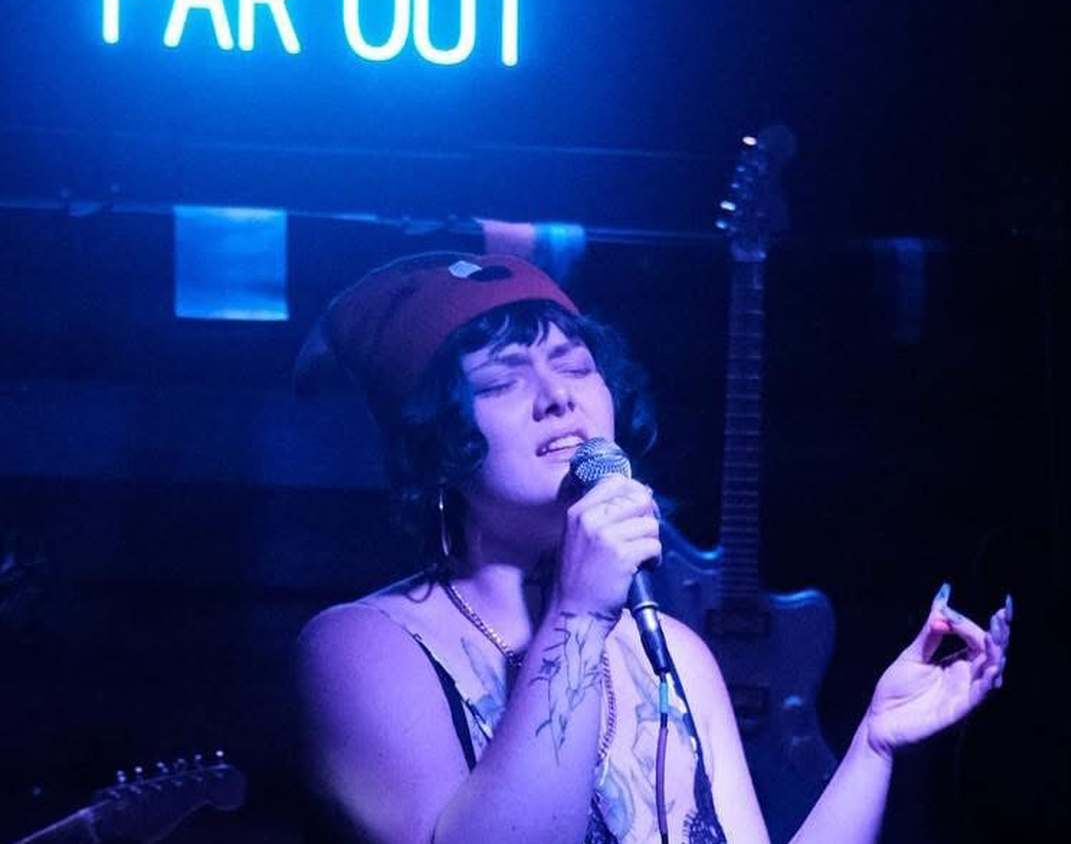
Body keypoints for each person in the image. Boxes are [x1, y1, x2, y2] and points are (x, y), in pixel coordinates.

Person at [293, 251, 1013, 844]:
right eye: (503, 381)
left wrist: (875, 743)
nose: (557, 396)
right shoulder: (363, 647)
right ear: (433, 442)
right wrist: (578, 613)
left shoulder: (674, 654)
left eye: (575, 366)